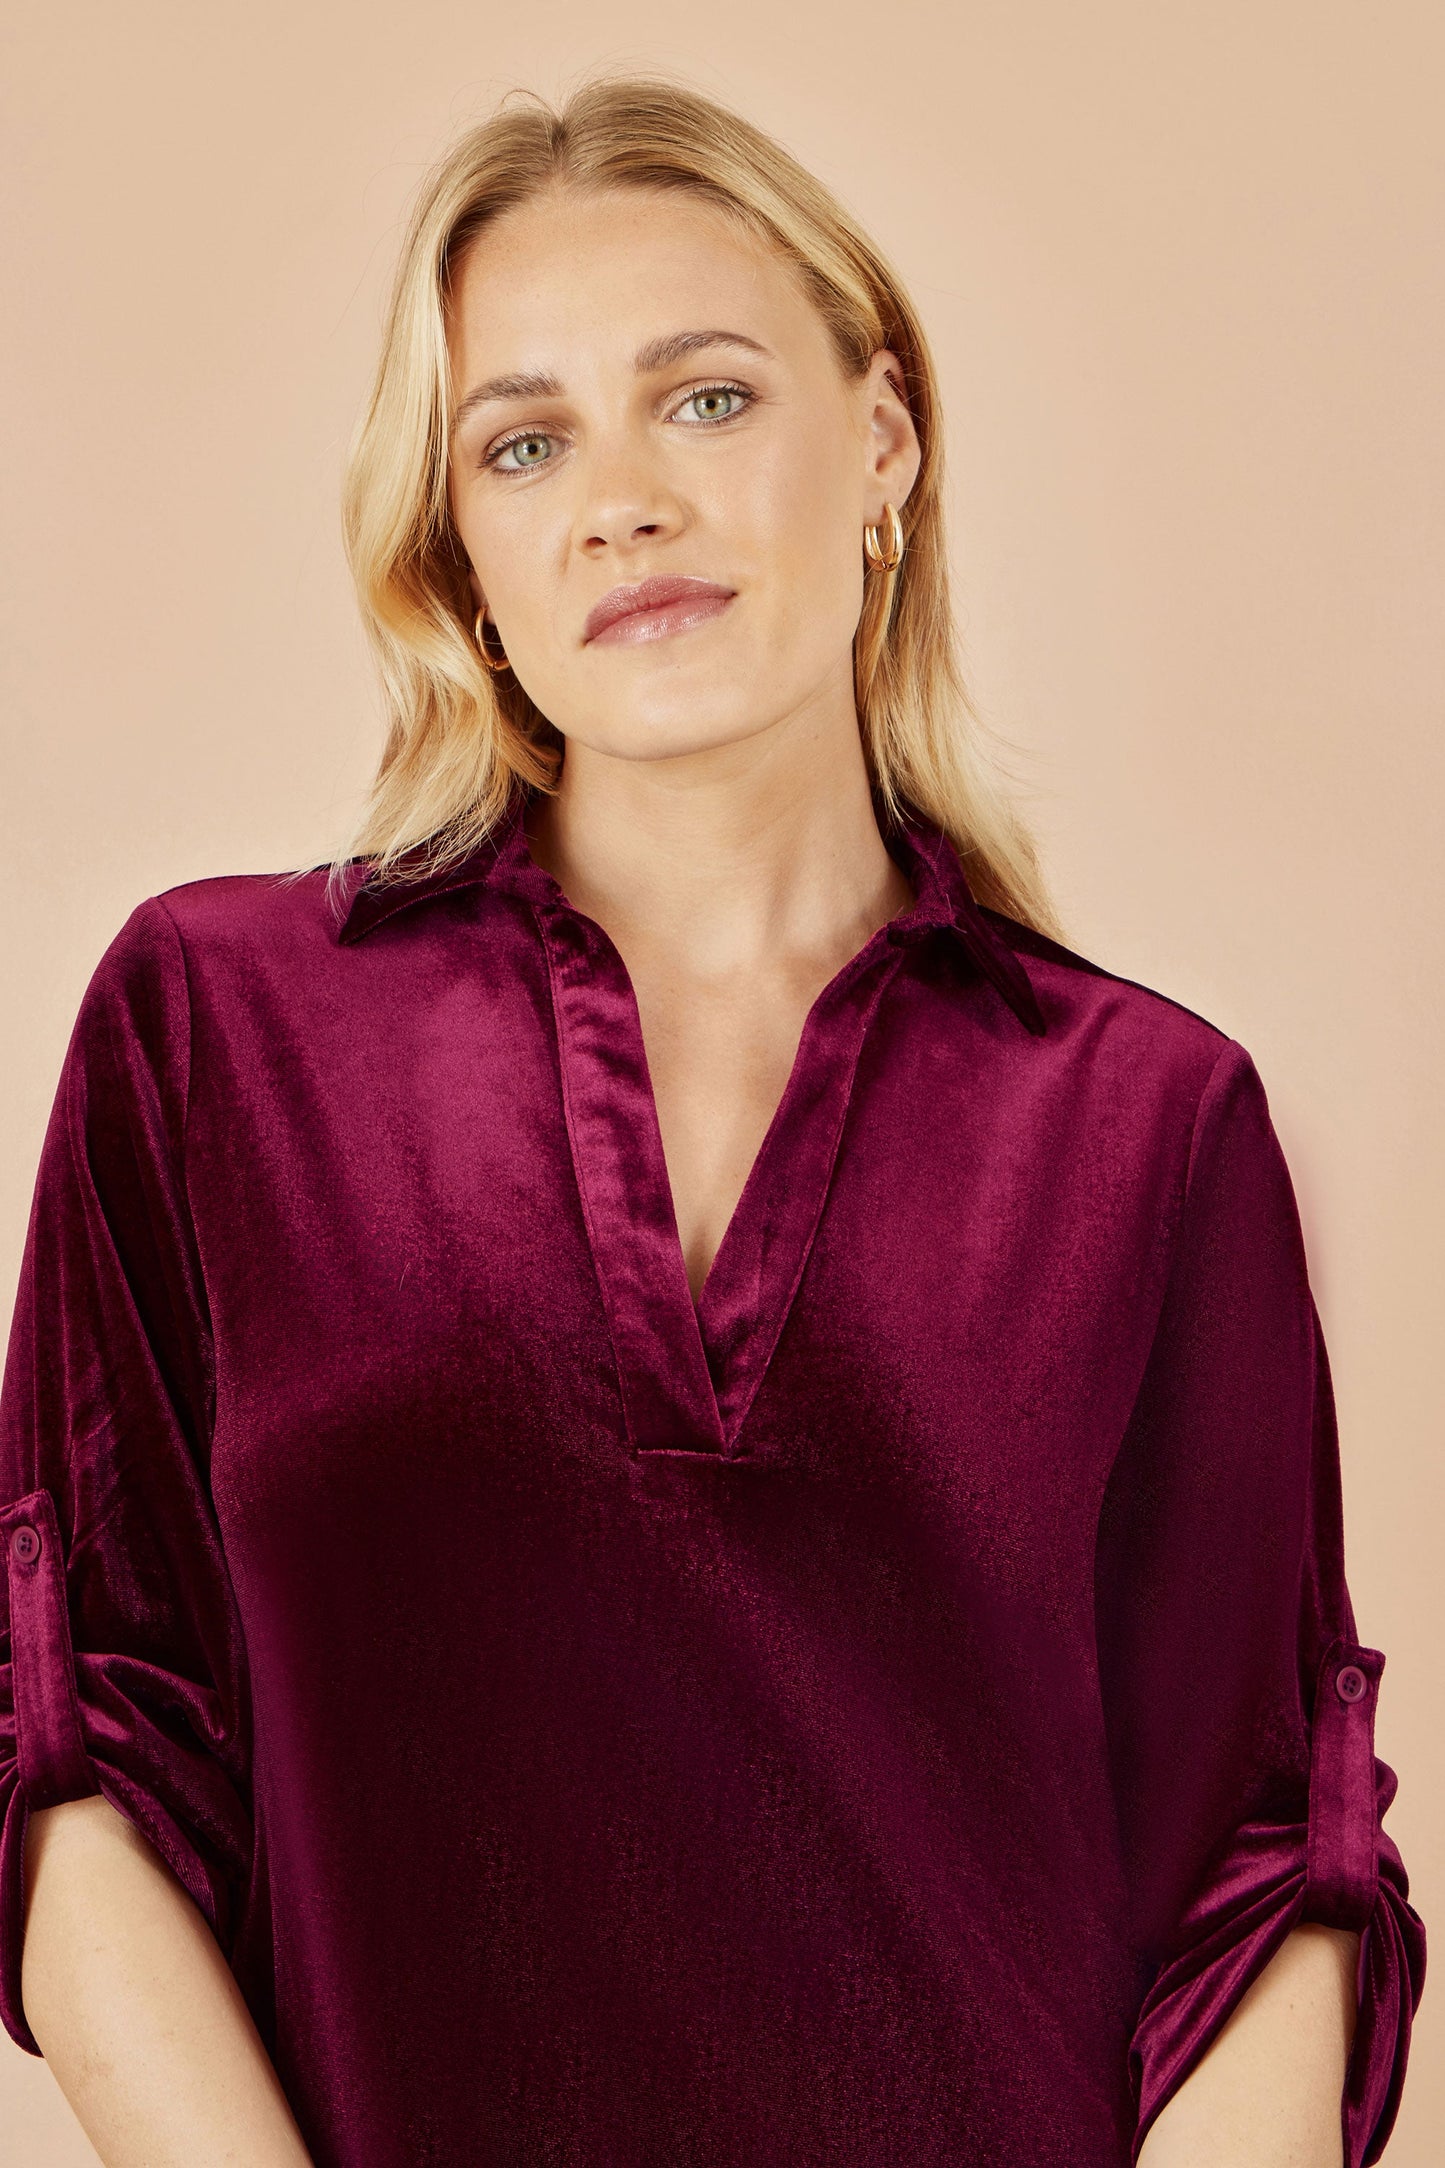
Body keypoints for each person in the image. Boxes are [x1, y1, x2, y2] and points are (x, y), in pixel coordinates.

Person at [0, 73, 1426, 2168]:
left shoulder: (1149, 1123)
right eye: (525, 441)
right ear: (465, 557)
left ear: (882, 445)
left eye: (709, 400)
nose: (622, 502)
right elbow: (77, 1748)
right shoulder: (218, 1032)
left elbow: (1265, 1886)